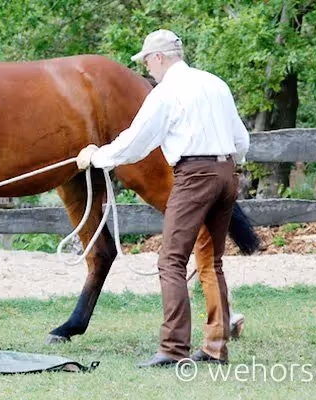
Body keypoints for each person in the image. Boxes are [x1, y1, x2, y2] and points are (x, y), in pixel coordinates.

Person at [75, 29, 250, 368]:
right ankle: (216, 346)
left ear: (158, 58)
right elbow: (240, 139)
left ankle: (172, 348)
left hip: (194, 175)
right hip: (227, 172)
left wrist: (95, 157)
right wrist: (224, 166)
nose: (147, 71)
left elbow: (136, 142)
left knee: (170, 260)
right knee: (212, 262)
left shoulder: (165, 92)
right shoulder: (215, 84)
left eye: (147, 63)